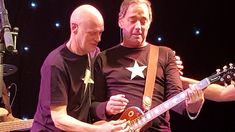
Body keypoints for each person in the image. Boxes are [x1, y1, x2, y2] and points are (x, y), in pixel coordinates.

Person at [91, 0, 205, 131]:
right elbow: (92, 105)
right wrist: (106, 107)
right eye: (132, 20)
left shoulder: (165, 54)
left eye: (143, 20)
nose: (138, 26)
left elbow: (176, 98)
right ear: (120, 21)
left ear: (150, 22)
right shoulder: (103, 58)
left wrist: (193, 105)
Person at [31, 4, 128, 132]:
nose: (98, 38)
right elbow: (59, 119)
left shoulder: (93, 54)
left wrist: (107, 107)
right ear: (74, 27)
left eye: (100, 32)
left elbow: (85, 105)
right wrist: (99, 130)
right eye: (92, 33)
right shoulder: (55, 63)